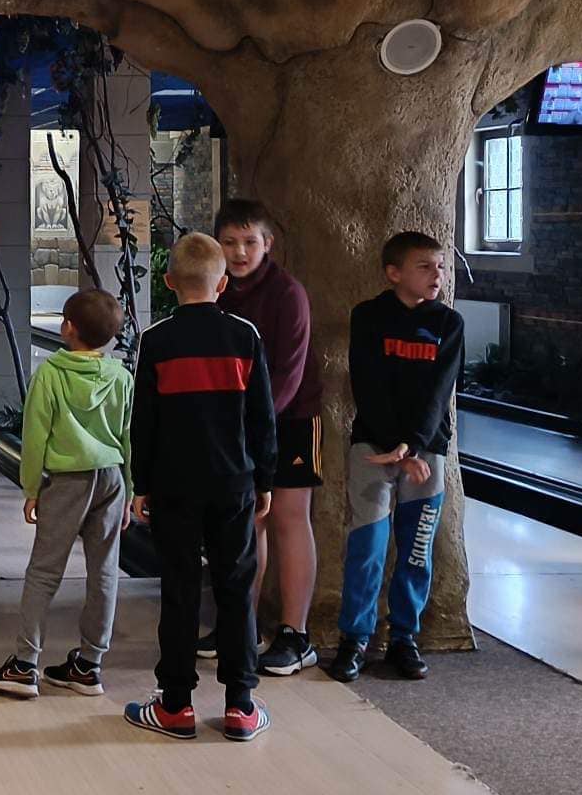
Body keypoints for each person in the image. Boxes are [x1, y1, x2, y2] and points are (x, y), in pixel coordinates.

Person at [123, 233, 277, 743]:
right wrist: (265, 478)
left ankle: (175, 705)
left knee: (180, 588)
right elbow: (262, 418)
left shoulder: (157, 340)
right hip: (234, 483)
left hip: (174, 485)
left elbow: (144, 421)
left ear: (169, 282)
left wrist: (142, 483)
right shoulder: (245, 336)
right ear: (223, 283)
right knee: (235, 587)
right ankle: (240, 706)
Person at [0, 289, 132, 699]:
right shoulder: (121, 377)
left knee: (44, 572)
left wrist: (31, 489)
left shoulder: (51, 374)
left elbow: (35, 437)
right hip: (111, 478)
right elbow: (129, 439)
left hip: (67, 482)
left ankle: (25, 664)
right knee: (104, 572)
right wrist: (130, 492)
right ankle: (89, 666)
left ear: (68, 328)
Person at [329, 232, 465, 683]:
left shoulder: (448, 323)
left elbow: (439, 394)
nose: (437, 275)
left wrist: (411, 446)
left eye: (440, 267)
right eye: (424, 266)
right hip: (373, 447)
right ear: (394, 273)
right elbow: (367, 385)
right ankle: (355, 638)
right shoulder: (368, 316)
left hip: (426, 452)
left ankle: (404, 636)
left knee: (416, 550)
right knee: (367, 546)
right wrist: (393, 446)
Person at [212, 198, 323, 676]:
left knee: (288, 519)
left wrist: (251, 425)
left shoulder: (288, 293)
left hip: (292, 418)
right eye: (229, 242)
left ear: (267, 244)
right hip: (240, 424)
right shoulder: (217, 292)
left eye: (249, 242)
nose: (240, 252)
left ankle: (296, 634)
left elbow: (289, 374)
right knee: (248, 521)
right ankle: (244, 625)